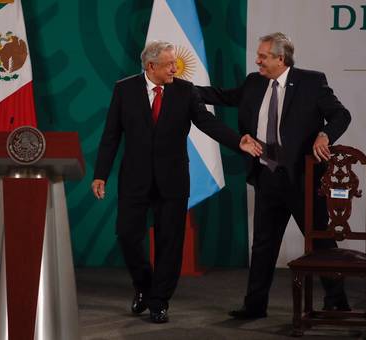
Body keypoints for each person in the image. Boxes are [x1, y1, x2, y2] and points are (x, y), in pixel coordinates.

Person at [92, 40, 262, 324]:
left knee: (170, 243)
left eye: (175, 63)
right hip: (134, 178)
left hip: (173, 179)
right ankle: (144, 286)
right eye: (169, 64)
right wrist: (100, 174)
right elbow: (111, 135)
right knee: (127, 234)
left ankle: (159, 301)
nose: (175, 68)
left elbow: (207, 123)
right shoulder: (125, 89)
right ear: (151, 66)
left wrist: (238, 141)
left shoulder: (185, 91)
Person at [196, 32, 352, 319]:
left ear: (281, 58)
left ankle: (336, 300)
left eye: (263, 56)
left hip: (303, 180)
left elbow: (341, 115)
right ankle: (255, 305)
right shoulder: (254, 82)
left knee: (321, 242)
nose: (257, 60)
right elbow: (223, 96)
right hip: (267, 175)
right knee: (263, 244)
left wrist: (325, 135)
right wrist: (181, 88)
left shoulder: (312, 82)